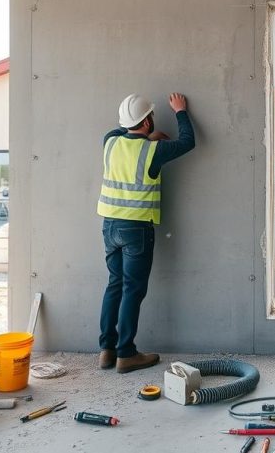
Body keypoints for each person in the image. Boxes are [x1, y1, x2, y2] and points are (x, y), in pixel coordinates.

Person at [96, 92, 195, 373]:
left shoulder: (110, 142)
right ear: (148, 121)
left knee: (114, 284)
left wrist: (144, 133)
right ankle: (126, 354)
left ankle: (107, 350)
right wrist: (180, 111)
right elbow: (189, 141)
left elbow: (123, 132)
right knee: (132, 289)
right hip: (136, 228)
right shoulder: (155, 151)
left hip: (109, 226)